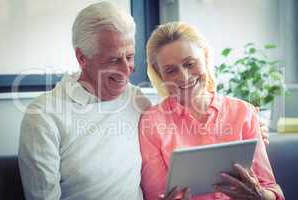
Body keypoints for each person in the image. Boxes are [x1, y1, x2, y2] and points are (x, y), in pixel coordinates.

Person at [18, 2, 150, 200]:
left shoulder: (137, 99)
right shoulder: (43, 115)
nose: (126, 69)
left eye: (130, 57)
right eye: (114, 60)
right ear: (82, 58)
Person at [139, 22, 284, 200]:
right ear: (160, 75)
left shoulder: (243, 112)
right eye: (171, 70)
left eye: (190, 64)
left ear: (206, 58)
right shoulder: (152, 122)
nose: (184, 77)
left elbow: (272, 189)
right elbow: (155, 195)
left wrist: (260, 195)